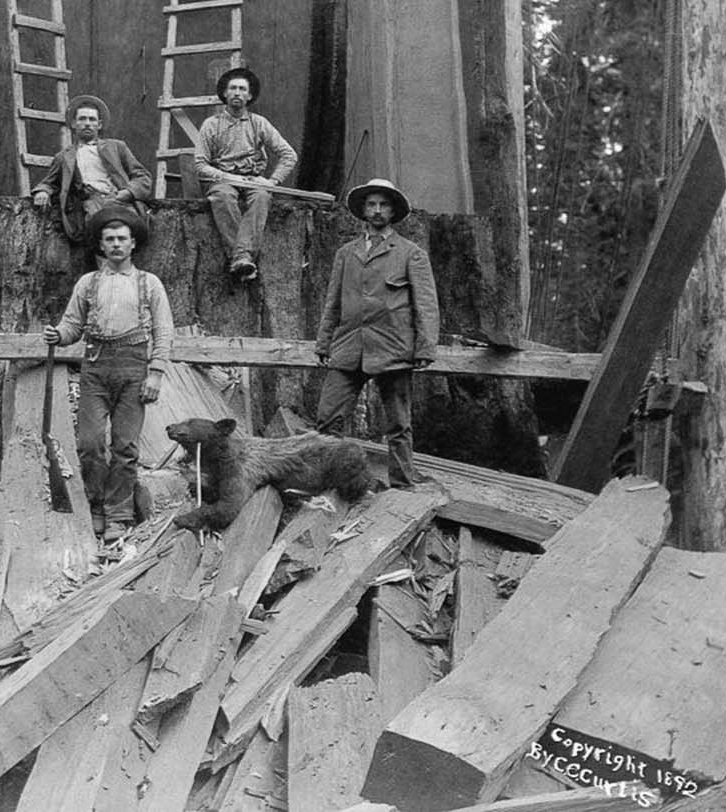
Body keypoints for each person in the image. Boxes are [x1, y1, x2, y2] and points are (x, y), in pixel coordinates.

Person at [43, 205, 174, 543]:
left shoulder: (150, 284)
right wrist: (59, 334)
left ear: (133, 244)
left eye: (122, 239)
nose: (116, 244)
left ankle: (119, 515)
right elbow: (72, 324)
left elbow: (164, 330)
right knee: (89, 444)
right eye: (109, 239)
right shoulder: (88, 283)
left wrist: (155, 372)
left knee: (125, 446)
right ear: (101, 246)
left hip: (134, 368)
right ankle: (95, 506)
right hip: (95, 368)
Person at [314, 178, 439, 489]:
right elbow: (333, 301)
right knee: (328, 419)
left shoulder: (411, 253)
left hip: (393, 348)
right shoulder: (346, 253)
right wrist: (324, 341)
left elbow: (425, 303)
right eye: (371, 204)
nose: (377, 210)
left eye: (384, 204)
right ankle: (327, 479)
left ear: (393, 211)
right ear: (363, 210)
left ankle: (402, 480)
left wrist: (425, 348)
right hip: (348, 347)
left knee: (398, 423)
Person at [193, 66, 298, 280]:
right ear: (224, 93)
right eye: (232, 88)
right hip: (223, 179)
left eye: (242, 89)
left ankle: (240, 257)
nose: (237, 93)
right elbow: (200, 165)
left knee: (262, 196)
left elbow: (289, 155)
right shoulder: (211, 125)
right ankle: (242, 256)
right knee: (222, 196)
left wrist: (272, 181)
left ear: (249, 95)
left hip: (253, 179)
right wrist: (229, 177)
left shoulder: (259, 123)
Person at [30, 95, 153, 243]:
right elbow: (49, 182)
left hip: (119, 200)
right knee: (100, 237)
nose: (87, 124)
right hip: (90, 203)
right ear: (74, 123)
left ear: (99, 125)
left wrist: (127, 193)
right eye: (82, 119)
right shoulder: (64, 157)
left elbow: (143, 176)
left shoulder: (116, 147)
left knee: (127, 235)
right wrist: (42, 191)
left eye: (92, 119)